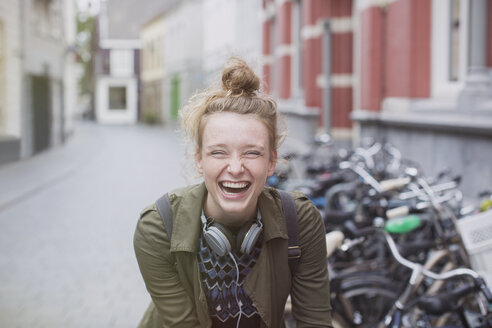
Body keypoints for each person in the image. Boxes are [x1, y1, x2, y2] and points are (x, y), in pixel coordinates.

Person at [133, 57, 333, 328]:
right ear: (200, 160)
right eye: (219, 152)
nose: (236, 168)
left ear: (271, 161)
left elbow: (315, 321)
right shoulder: (159, 227)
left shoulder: (299, 221)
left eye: (252, 152)